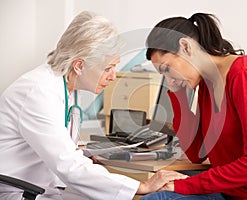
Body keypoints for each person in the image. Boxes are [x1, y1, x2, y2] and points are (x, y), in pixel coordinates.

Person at [0, 11, 187, 200]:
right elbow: (68, 165)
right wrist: (143, 186)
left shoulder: (64, 89)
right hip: (19, 192)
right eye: (108, 68)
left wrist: (82, 154)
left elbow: (58, 148)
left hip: (43, 188)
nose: (113, 76)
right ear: (79, 65)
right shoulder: (38, 92)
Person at [142, 13, 247, 199]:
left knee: (159, 197)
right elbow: (196, 153)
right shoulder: (208, 83)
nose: (169, 80)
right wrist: (179, 98)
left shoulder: (245, 74)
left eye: (167, 69)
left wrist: (183, 185)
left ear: (186, 46)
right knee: (158, 193)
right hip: (233, 192)